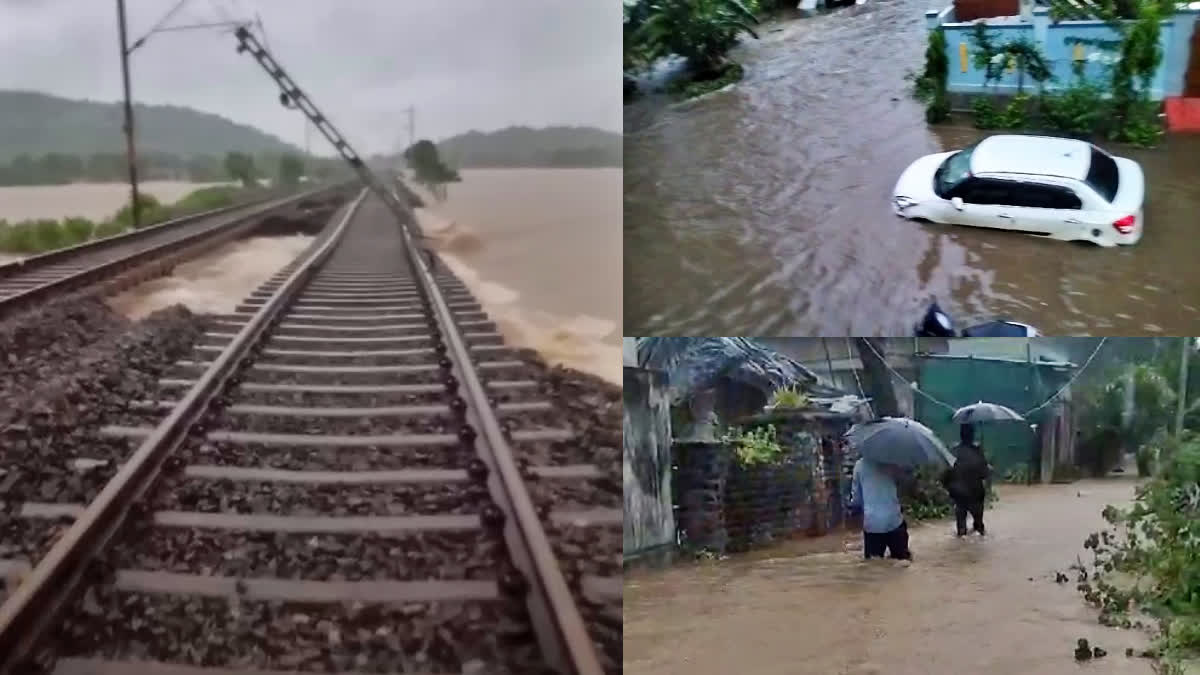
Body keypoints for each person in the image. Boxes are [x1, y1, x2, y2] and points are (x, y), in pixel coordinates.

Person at [848, 457, 912, 561]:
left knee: (873, 565)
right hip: (894, 520)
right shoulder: (893, 463)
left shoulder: (859, 465)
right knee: (903, 562)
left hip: (872, 524)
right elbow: (903, 486)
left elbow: (856, 498)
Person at [942, 424, 992, 536]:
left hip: (959, 493)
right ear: (972, 435)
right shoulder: (977, 452)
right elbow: (985, 474)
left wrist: (949, 489)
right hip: (976, 493)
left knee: (961, 530)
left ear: (961, 435)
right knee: (979, 527)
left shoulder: (954, 451)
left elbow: (946, 473)